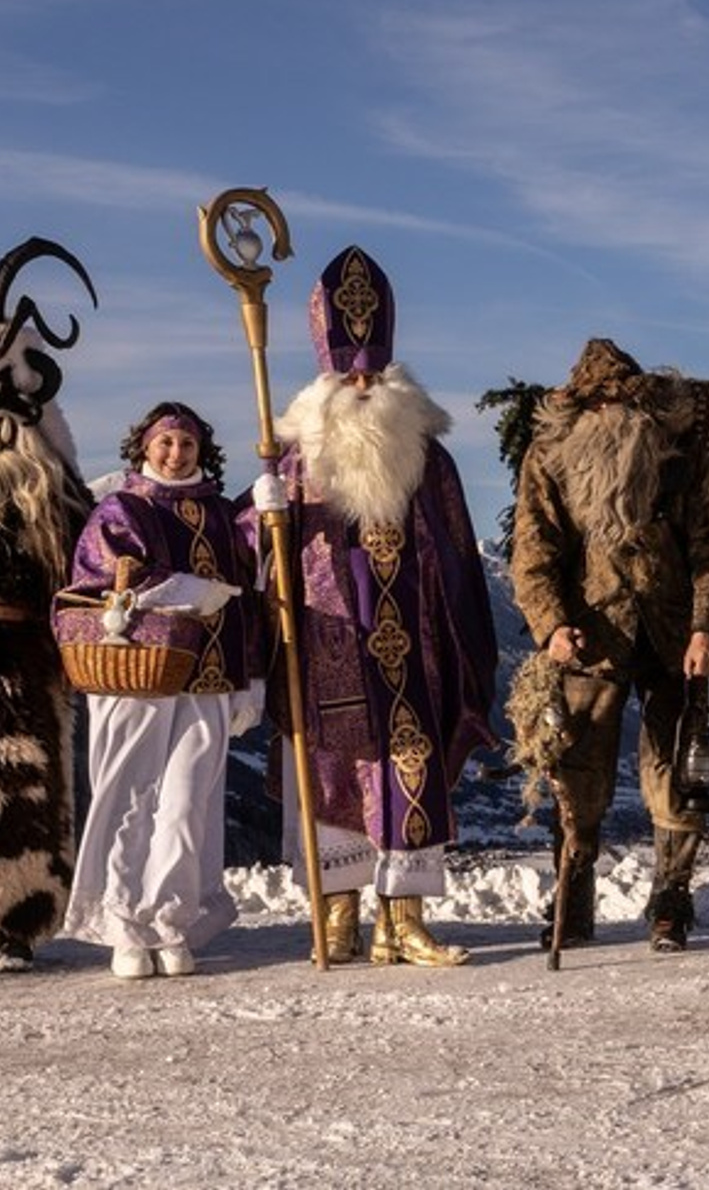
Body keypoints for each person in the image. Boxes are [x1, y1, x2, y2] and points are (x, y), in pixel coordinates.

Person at [251, 245, 498, 968]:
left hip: (409, 639)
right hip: (332, 644)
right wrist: (261, 513)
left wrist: (462, 643)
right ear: (326, 378)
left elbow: (456, 551)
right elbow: (262, 551)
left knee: (409, 766)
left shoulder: (427, 456)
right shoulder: (294, 460)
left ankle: (405, 919)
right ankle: (339, 914)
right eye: (348, 372)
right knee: (333, 771)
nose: (362, 382)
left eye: (373, 371)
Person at [509, 337, 709, 953]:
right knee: (578, 775)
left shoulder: (678, 453)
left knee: (678, 769)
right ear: (578, 407)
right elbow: (533, 551)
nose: (609, 413)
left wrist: (704, 628)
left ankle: (670, 900)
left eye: (619, 401)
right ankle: (573, 901)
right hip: (590, 636)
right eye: (598, 403)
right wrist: (552, 625)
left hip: (670, 635)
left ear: (639, 401)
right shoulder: (550, 456)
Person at [61, 403, 261, 978]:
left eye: (187, 445)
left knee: (187, 803)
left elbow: (254, 586)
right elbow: (103, 579)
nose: (176, 454)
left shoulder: (222, 515)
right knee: (131, 796)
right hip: (140, 674)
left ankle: (171, 920)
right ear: (144, 448)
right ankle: (124, 923)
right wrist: (185, 589)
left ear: (202, 451)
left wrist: (252, 677)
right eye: (165, 443)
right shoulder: (122, 508)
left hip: (209, 676)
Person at [0, 237, 96, 972]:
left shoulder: (51, 477)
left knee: (32, 780)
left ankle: (18, 918)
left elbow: (84, 552)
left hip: (32, 653)